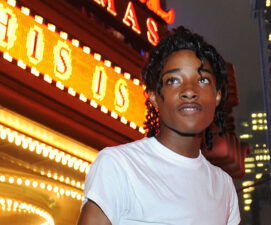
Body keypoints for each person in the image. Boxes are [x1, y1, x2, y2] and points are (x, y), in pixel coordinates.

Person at [77, 26, 240, 225]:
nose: (189, 91)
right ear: (154, 97)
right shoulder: (119, 165)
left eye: (203, 79)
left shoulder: (224, 186)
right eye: (173, 80)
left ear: (217, 96)